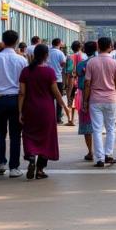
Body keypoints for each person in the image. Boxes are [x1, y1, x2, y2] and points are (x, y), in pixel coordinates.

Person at [18, 44, 71, 180]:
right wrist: (64, 107)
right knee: (46, 138)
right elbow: (57, 93)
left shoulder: (25, 71)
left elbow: (22, 93)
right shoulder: (50, 72)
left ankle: (30, 156)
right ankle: (40, 169)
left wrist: (19, 111)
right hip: (46, 109)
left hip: (29, 108)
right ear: (46, 55)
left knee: (29, 134)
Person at [0, 29, 27, 177]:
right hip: (16, 100)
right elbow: (24, 84)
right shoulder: (22, 60)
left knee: (0, 132)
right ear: (16, 42)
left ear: (3, 41)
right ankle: (14, 168)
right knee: (16, 134)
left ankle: (1, 163)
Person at [84, 36, 116, 168]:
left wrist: (85, 100)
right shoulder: (114, 63)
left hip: (95, 99)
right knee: (111, 128)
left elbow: (87, 83)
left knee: (97, 129)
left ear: (98, 46)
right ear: (110, 47)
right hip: (110, 98)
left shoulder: (91, 62)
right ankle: (109, 155)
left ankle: (99, 158)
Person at [75, 40, 97, 162]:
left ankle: (90, 151)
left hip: (84, 95)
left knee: (86, 125)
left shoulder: (81, 65)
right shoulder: (100, 63)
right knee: (98, 125)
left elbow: (79, 76)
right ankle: (101, 151)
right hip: (99, 95)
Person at [48, 38, 67, 124]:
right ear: (59, 43)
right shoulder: (60, 53)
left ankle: (49, 117)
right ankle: (58, 118)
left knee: (49, 98)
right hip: (58, 78)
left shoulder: (48, 51)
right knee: (59, 99)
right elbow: (63, 63)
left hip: (47, 78)